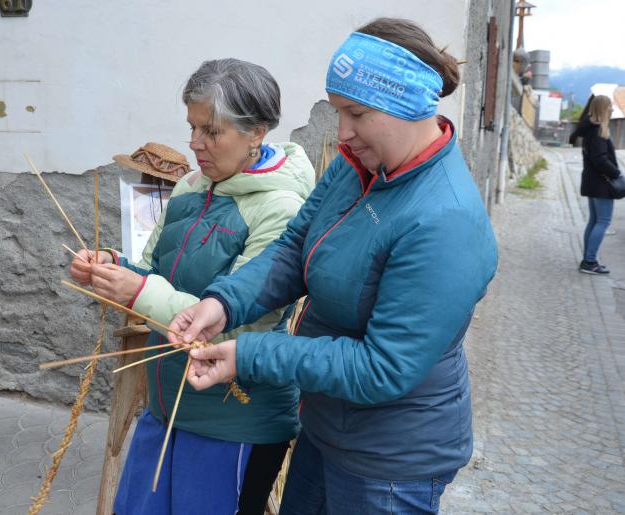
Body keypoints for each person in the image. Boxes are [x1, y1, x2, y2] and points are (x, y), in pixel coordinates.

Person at [168, 18, 498, 515]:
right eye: (339, 110)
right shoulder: (357, 163)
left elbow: (382, 368)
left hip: (390, 462)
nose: (342, 132)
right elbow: (296, 247)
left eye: (356, 113)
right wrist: (224, 301)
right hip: (326, 426)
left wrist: (251, 354)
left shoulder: (445, 220)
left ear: (406, 104)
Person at [69, 58, 315, 515]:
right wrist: (112, 268)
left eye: (212, 131)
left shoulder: (282, 208)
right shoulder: (189, 185)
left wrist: (137, 292)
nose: (195, 144)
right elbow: (150, 269)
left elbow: (241, 332)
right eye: (192, 127)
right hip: (166, 406)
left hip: (234, 418)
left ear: (257, 132)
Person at [569, 94, 622, 275]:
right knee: (603, 221)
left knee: (594, 221)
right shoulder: (599, 130)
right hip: (602, 184)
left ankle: (588, 260)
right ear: (603, 109)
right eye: (609, 107)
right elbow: (600, 159)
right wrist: (616, 173)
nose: (612, 109)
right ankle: (590, 261)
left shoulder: (590, 128)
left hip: (593, 182)